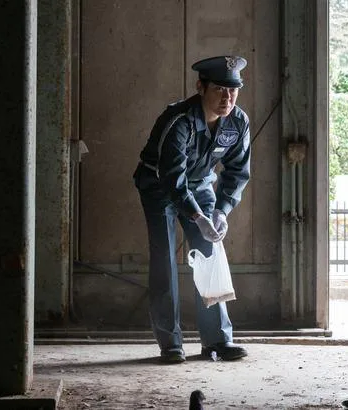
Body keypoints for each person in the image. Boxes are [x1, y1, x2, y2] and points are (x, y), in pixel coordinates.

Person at [133, 55, 251, 363]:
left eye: (233, 90)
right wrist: (198, 217)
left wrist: (221, 212)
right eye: (219, 90)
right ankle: (170, 345)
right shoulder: (179, 120)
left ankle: (217, 342)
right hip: (160, 187)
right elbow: (173, 178)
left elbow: (237, 172)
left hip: (199, 185)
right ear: (201, 87)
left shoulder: (238, 121)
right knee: (164, 261)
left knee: (210, 257)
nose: (228, 97)